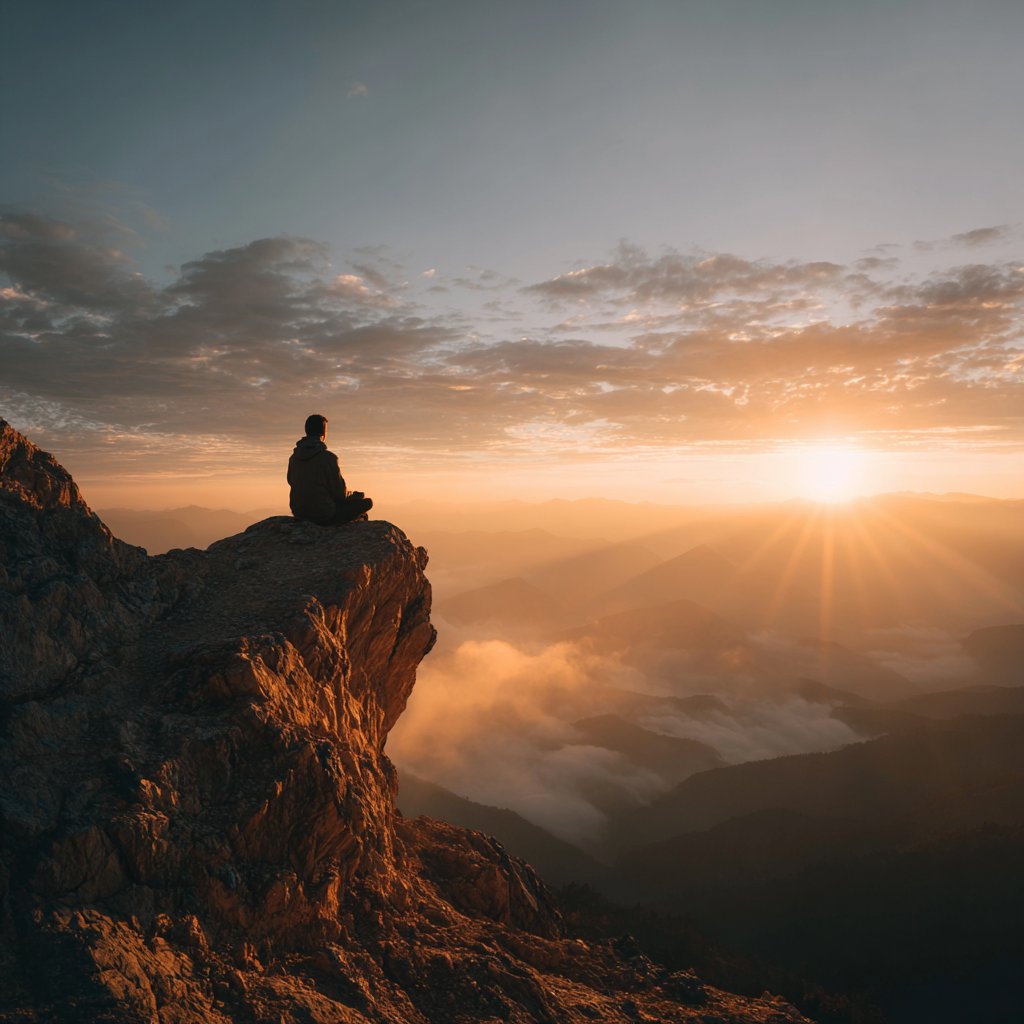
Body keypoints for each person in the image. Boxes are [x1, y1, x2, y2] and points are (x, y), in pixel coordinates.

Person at [287, 414, 373, 525]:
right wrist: (352, 498)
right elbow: (339, 494)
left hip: (299, 513)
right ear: (323, 433)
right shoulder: (328, 458)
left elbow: (291, 482)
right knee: (367, 503)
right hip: (324, 515)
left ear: (306, 431)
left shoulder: (293, 458)